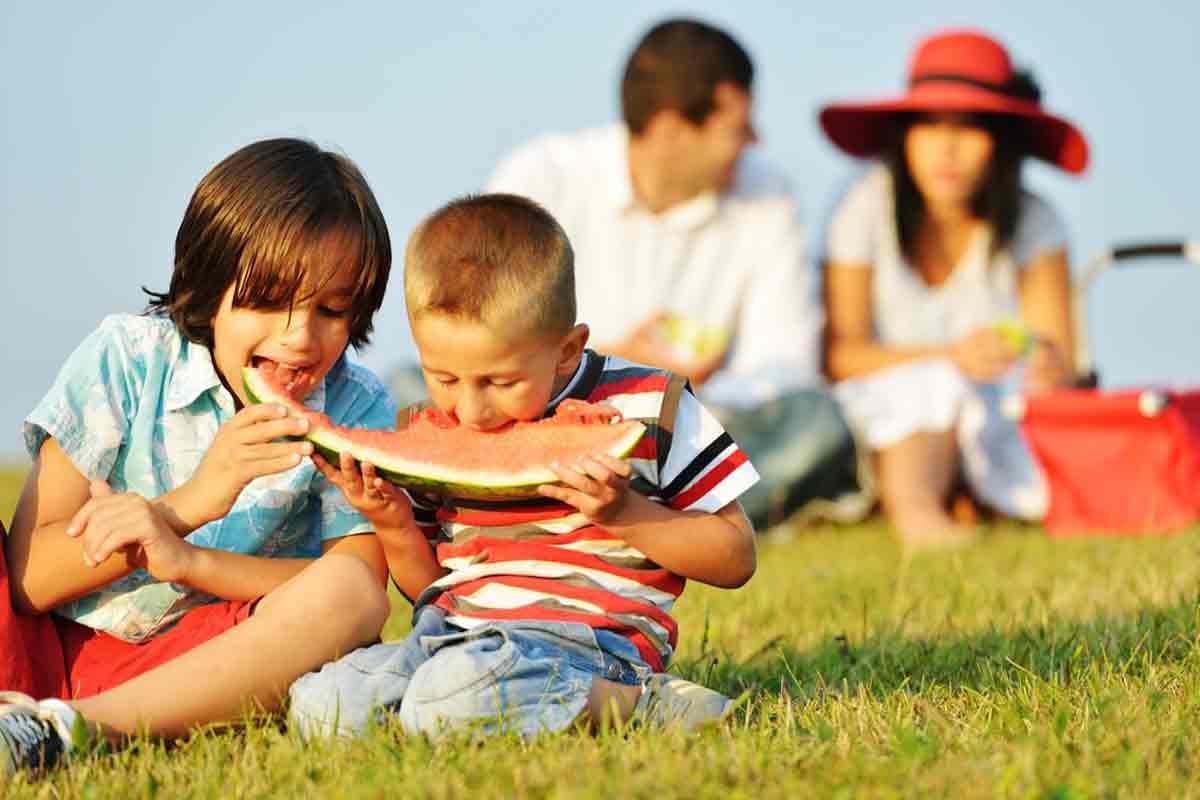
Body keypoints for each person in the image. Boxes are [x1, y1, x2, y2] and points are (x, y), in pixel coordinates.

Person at [0, 138, 404, 775]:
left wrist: (188, 560)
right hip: (46, 650)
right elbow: (27, 584)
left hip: (213, 663)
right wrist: (188, 505)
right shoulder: (125, 360)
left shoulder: (354, 406)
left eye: (332, 309)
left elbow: (358, 592)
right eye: (268, 300)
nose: (300, 338)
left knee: (349, 593)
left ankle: (65, 734)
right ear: (210, 284)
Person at [288, 193, 758, 739]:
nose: (470, 409)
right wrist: (393, 522)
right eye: (443, 378)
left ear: (566, 350)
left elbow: (736, 557)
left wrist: (625, 513)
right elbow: (427, 588)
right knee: (324, 706)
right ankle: (453, 705)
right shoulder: (425, 429)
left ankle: (640, 703)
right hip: (448, 640)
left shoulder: (651, 405)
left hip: (588, 648)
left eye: (500, 382)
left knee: (450, 697)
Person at [470, 18, 860, 529]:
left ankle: (565, 512)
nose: (754, 141)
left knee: (816, 421)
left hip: (688, 431)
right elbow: (487, 333)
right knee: (412, 390)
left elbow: (785, 364)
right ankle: (661, 515)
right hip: (542, 412)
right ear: (673, 130)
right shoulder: (543, 175)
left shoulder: (767, 194)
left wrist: (677, 387)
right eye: (737, 128)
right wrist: (610, 366)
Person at [818, 29, 1089, 545]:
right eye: (929, 124)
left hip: (995, 411)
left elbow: (1058, 362)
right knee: (933, 386)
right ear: (905, 135)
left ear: (1002, 143)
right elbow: (840, 356)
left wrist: (1040, 360)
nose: (946, 148)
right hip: (883, 410)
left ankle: (969, 493)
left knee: (984, 405)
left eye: (968, 128)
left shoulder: (1036, 222)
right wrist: (949, 356)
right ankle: (920, 514)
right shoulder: (864, 207)